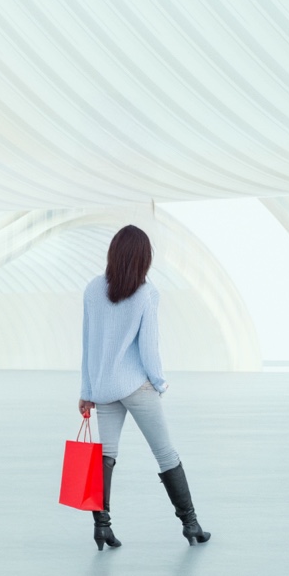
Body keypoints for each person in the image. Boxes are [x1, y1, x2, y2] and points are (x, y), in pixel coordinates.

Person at [77, 224, 209, 550]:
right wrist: (160, 382)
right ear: (143, 258)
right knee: (165, 454)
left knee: (103, 457)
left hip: (104, 388)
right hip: (138, 387)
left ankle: (102, 528)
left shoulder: (93, 289)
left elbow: (88, 344)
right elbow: (149, 348)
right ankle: (190, 525)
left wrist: (87, 390)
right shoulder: (146, 293)